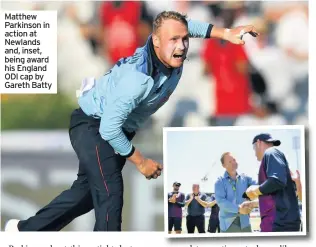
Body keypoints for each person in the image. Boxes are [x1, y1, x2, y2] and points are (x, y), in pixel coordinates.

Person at [5, 10, 258, 232]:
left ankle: (26, 231)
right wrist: (142, 161)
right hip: (94, 125)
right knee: (110, 191)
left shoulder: (168, 45)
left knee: (85, 195)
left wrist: (225, 34)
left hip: (115, 127)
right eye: (174, 40)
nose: (181, 46)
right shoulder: (138, 79)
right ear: (156, 42)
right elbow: (109, 129)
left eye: (184, 39)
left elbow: (184, 25)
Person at [246, 133, 301, 232]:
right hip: (283, 222)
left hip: (278, 224)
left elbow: (277, 180)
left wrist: (255, 191)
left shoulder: (271, 152)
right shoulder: (276, 159)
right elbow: (280, 196)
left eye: (254, 149)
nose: (254, 153)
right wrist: (255, 203)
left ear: (258, 143)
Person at [215, 152, 257, 233]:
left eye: (234, 160)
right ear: (223, 165)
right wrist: (238, 209)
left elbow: (259, 185)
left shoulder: (245, 178)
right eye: (230, 161)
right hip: (228, 224)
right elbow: (221, 202)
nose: (233, 162)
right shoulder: (219, 182)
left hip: (245, 222)